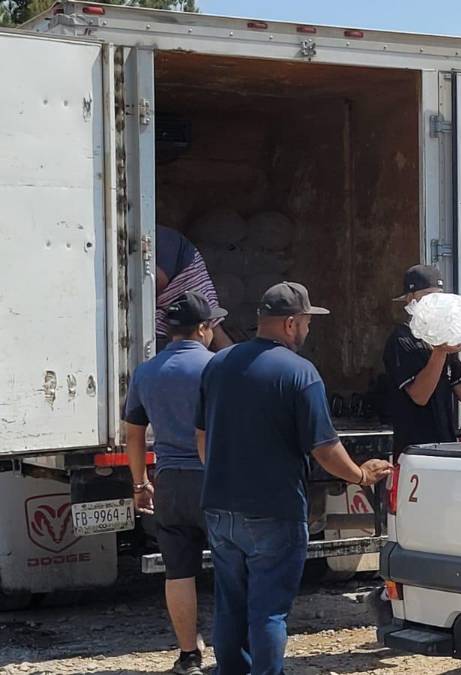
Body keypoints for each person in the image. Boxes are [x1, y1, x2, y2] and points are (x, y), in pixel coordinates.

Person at [196, 281, 390, 675]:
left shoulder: (218, 363)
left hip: (219, 507)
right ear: (289, 324)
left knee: (230, 603)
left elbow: (202, 437)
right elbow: (324, 448)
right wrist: (360, 475)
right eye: (305, 322)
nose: (307, 330)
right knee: (268, 610)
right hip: (274, 509)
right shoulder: (301, 374)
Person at [124, 291, 227, 675]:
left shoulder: (146, 372)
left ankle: (188, 656)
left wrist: (140, 484)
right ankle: (232, 651)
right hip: (214, 480)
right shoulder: (218, 367)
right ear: (203, 329)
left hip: (168, 482)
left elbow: (133, 434)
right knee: (230, 566)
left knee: (178, 571)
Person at [382, 265, 461, 452]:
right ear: (411, 299)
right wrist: (440, 352)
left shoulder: (443, 338)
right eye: (428, 295)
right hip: (415, 451)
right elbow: (420, 396)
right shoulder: (401, 339)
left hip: (446, 447)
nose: (436, 303)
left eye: (440, 297)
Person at [156, 225, 233, 352]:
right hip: (162, 296)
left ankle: (234, 364)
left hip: (185, 277)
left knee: (212, 325)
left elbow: (159, 280)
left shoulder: (159, 236)